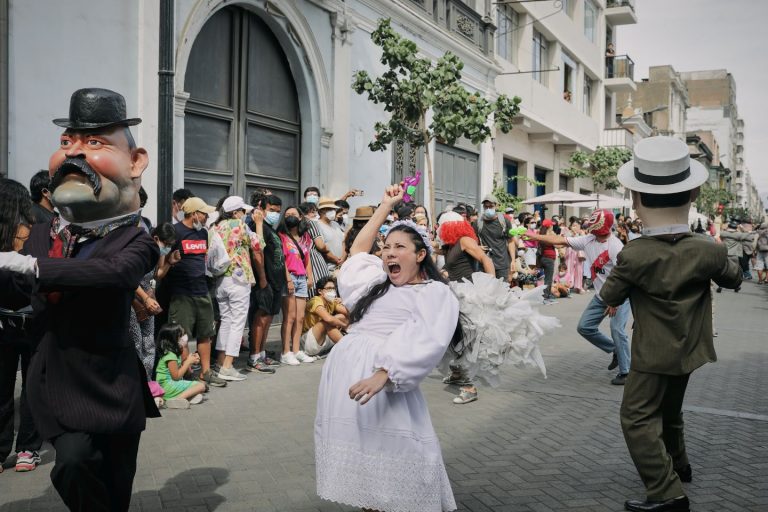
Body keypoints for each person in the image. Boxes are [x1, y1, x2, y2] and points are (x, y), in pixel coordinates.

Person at [0, 88, 160, 511]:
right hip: (58, 380)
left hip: (112, 384)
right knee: (70, 463)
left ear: (136, 161)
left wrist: (33, 268)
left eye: (94, 143)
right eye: (67, 142)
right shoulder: (41, 234)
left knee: (116, 482)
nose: (74, 154)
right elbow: (21, 294)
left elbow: (114, 273)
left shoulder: (137, 239)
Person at [600, 136, 742, 512]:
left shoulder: (635, 254)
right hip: (691, 349)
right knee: (671, 411)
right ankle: (679, 464)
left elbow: (608, 297)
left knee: (636, 416)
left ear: (637, 198)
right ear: (693, 193)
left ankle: (667, 491)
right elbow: (734, 278)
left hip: (651, 352)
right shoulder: (708, 249)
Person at [315, 183, 460, 512]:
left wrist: (384, 373)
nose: (389, 253)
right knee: (365, 466)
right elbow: (356, 255)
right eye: (387, 247)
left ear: (421, 254)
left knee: (400, 454)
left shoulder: (433, 293)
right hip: (347, 376)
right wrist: (384, 206)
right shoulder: (376, 284)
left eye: (400, 247)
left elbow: (426, 339)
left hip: (384, 381)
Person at [525, 209, 631, 385]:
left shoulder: (616, 247)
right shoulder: (588, 240)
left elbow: (625, 277)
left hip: (619, 294)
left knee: (617, 329)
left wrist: (616, 301)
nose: (590, 229)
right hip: (600, 296)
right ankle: (615, 350)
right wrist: (536, 237)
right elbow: (560, 240)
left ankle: (626, 371)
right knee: (584, 327)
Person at [0, 179, 42, 474]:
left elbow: (39, 268)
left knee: (32, 388)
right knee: (2, 388)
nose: (27, 227)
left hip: (34, 321)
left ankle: (28, 447)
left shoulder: (48, 225)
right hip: (4, 324)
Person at [165, 196, 227, 388]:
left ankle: (206, 373)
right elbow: (164, 258)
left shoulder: (203, 234)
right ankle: (187, 373)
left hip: (202, 291)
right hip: (182, 293)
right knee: (181, 336)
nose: (207, 217)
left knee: (205, 333)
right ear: (193, 214)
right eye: (204, 214)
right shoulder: (176, 232)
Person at [212, 196, 264, 381]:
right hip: (239, 278)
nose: (244, 214)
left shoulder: (215, 226)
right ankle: (227, 366)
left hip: (221, 279)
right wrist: (258, 224)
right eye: (243, 211)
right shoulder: (240, 225)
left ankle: (219, 362)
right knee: (237, 323)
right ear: (235, 212)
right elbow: (258, 245)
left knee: (226, 320)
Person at [247, 194, 284, 372]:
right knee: (260, 318)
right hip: (265, 281)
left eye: (278, 211)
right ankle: (254, 357)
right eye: (272, 210)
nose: (275, 214)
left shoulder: (271, 228)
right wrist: (262, 278)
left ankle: (261, 353)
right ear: (261, 208)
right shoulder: (256, 226)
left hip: (276, 282)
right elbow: (258, 251)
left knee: (268, 319)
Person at [277, 206, 316, 365]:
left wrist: (310, 276)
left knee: (300, 317)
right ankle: (285, 352)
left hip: (302, 278)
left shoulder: (305, 237)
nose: (290, 217)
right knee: (290, 317)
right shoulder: (281, 236)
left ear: (300, 217)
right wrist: (288, 280)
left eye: (293, 214)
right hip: (290, 277)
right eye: (287, 215)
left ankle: (296, 350)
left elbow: (307, 259)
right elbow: (282, 261)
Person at [154, 323, 207, 409]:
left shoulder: (174, 352)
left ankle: (184, 398)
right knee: (201, 386)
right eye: (181, 335)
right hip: (167, 386)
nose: (185, 337)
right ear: (173, 339)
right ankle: (178, 399)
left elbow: (185, 371)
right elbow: (176, 377)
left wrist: (192, 361)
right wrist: (188, 362)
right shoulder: (170, 355)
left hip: (169, 385)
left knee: (198, 387)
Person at [301, 276, 349, 357]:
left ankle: (351, 341)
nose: (332, 291)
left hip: (323, 340)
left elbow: (348, 312)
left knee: (342, 317)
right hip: (308, 342)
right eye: (329, 288)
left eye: (334, 288)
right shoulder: (315, 300)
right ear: (320, 291)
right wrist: (344, 326)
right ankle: (348, 347)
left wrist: (344, 301)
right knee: (326, 322)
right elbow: (328, 319)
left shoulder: (331, 301)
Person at [477, 194, 515, 283]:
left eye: (491, 206)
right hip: (485, 264)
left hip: (502, 264)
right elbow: (472, 241)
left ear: (496, 206)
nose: (488, 209)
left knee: (502, 292)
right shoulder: (478, 223)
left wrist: (512, 260)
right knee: (487, 292)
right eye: (486, 207)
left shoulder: (504, 221)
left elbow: (510, 241)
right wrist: (477, 246)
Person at [315, 197, 344, 271]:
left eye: (334, 209)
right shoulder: (317, 225)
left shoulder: (335, 224)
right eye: (329, 209)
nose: (333, 211)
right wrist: (336, 260)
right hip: (329, 268)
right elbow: (322, 249)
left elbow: (343, 242)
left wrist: (343, 258)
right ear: (321, 211)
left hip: (342, 266)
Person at [539, 219, 558, 304]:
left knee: (544, 278)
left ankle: (546, 295)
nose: (553, 226)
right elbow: (558, 245)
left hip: (543, 257)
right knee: (548, 279)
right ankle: (546, 297)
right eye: (552, 224)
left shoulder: (541, 234)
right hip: (549, 258)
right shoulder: (550, 235)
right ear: (549, 226)